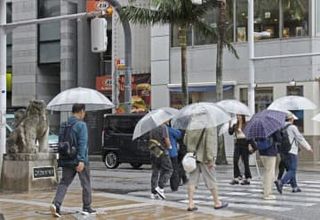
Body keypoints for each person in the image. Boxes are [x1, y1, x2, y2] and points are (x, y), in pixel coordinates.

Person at [50, 104, 96, 217]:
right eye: (84, 112)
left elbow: (61, 143)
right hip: (79, 160)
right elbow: (82, 144)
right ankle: (87, 206)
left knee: (64, 182)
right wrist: (81, 160)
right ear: (81, 111)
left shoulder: (64, 125)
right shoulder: (81, 125)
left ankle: (56, 204)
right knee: (85, 183)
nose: (84, 114)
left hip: (66, 159)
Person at [184, 126, 228, 211]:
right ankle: (217, 202)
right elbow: (210, 143)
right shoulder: (209, 124)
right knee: (211, 178)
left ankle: (190, 203)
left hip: (193, 156)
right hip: (205, 157)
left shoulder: (191, 123)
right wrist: (211, 158)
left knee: (192, 179)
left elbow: (185, 140)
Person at [275, 112, 313, 194]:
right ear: (291, 119)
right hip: (291, 150)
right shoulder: (292, 127)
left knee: (290, 169)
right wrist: (308, 147)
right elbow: (300, 138)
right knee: (292, 169)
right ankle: (281, 182)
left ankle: (295, 187)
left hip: (283, 151)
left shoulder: (280, 127)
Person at [229, 115, 256, 185]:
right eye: (237, 115)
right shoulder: (235, 125)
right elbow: (230, 132)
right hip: (238, 143)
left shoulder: (246, 124)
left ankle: (248, 178)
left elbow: (249, 135)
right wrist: (230, 124)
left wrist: (250, 144)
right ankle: (236, 177)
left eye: (239, 115)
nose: (238, 117)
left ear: (242, 116)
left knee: (245, 161)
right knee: (235, 160)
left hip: (245, 143)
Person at [149, 123, 173, 199]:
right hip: (162, 151)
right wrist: (170, 146)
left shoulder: (152, 127)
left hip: (154, 151)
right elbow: (166, 138)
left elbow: (150, 139)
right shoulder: (163, 127)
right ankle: (160, 187)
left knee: (155, 171)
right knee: (169, 169)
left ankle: (153, 192)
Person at [257, 131, 281, 200]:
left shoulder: (259, 128)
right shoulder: (272, 128)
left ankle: (264, 189)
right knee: (269, 173)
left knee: (266, 171)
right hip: (270, 151)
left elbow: (256, 139)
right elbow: (279, 138)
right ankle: (267, 194)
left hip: (261, 151)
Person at [166, 122, 182, 191]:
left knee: (160, 171)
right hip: (172, 153)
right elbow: (179, 134)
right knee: (174, 169)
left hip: (163, 153)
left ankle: (158, 186)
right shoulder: (169, 130)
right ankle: (174, 186)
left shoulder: (156, 129)